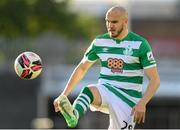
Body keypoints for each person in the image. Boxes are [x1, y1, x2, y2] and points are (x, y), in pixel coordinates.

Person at [53, 5, 160, 129]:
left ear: (125, 22)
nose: (110, 25)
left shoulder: (140, 44)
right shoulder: (99, 42)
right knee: (88, 91)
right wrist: (64, 94)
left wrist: (142, 103)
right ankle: (74, 115)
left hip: (128, 99)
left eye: (114, 22)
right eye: (107, 21)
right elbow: (82, 67)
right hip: (106, 89)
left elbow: (155, 80)